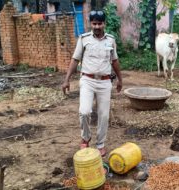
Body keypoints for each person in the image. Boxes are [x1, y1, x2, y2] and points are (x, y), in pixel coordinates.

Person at [61, 10, 122, 157]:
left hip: (105, 82)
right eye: (94, 23)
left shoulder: (111, 40)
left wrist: (120, 79)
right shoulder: (84, 39)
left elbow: (114, 61)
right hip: (87, 80)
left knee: (104, 115)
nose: (96, 26)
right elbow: (75, 59)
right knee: (84, 111)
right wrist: (66, 80)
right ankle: (85, 138)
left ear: (104, 24)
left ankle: (100, 144)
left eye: (99, 23)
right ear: (91, 24)